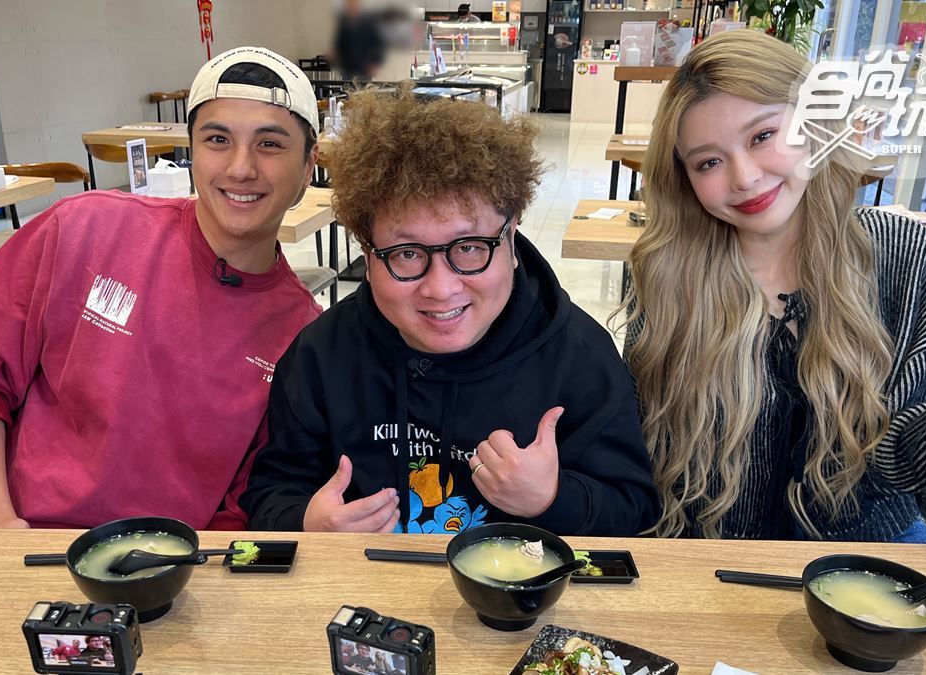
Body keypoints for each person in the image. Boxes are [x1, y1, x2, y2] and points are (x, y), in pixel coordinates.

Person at [618, 30, 926, 541]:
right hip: (703, 550)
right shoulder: (665, 272)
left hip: (867, 550)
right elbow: (643, 447)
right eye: (709, 162)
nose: (744, 177)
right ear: (685, 178)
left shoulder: (904, 255)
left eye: (762, 136)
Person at [0, 47, 323, 530]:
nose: (240, 168)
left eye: (270, 144)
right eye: (217, 139)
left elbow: (249, 499)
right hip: (18, 536)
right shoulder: (86, 229)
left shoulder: (301, 336)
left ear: (308, 166)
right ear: (191, 151)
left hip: (169, 562)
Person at [241, 86, 659, 536]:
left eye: (470, 247)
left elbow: (635, 507)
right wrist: (309, 522)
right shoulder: (320, 356)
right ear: (367, 251)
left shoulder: (579, 356)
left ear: (511, 237)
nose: (441, 289)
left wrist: (553, 499)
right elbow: (270, 493)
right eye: (406, 254)